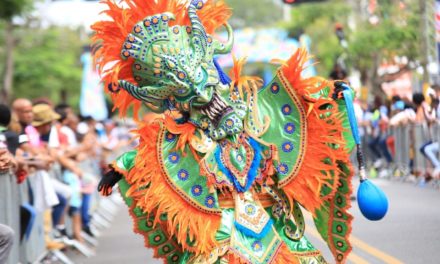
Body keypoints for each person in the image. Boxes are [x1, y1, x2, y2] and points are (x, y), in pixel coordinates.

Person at [92, 0, 369, 263]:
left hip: (275, 219)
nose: (201, 94)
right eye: (188, 93)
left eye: (201, 82)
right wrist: (120, 167)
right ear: (174, 100)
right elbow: (152, 154)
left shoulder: (249, 104)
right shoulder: (183, 133)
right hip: (222, 230)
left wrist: (329, 93)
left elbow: (291, 102)